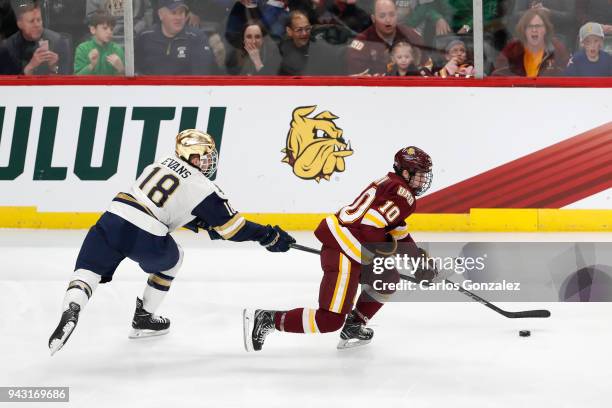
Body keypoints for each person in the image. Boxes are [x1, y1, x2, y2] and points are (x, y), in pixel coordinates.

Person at [49, 129, 296, 356]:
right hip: (146, 234)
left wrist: (199, 222)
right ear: (193, 157)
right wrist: (269, 236)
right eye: (205, 156)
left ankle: (72, 307)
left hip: (112, 218)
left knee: (86, 272)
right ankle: (143, 318)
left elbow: (163, 204)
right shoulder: (202, 186)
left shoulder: (160, 163)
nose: (209, 161)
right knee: (174, 258)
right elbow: (233, 228)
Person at [244, 146, 437, 352]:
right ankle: (267, 319)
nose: (423, 180)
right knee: (329, 320)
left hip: (352, 244)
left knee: (387, 279)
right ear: (405, 172)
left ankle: (354, 326)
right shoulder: (403, 194)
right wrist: (390, 248)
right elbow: (371, 226)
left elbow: (396, 229)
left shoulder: (389, 183)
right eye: (420, 175)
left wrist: (418, 260)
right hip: (344, 250)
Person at [135, 0, 217, 75]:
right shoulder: (144, 37)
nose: (178, 17)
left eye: (181, 13)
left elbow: (201, 77)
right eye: (173, 13)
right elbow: (137, 71)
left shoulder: (197, 38)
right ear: (161, 15)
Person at [346, 0, 425, 75]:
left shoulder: (412, 36)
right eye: (382, 16)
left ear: (396, 15)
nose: (388, 20)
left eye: (392, 15)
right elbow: (357, 81)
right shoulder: (363, 42)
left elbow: (426, 68)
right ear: (373, 19)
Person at [492, 8, 569, 77]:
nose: (534, 30)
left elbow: (568, 76)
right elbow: (498, 75)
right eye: (530, 26)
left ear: (545, 29)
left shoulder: (557, 48)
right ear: (524, 30)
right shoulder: (512, 48)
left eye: (538, 26)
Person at [4, 0, 71, 75]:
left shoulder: (58, 42)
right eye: (31, 21)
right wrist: (30, 67)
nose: (37, 25)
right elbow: (7, 83)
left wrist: (54, 67)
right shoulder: (9, 47)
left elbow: (66, 81)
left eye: (39, 20)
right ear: (20, 24)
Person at [279, 10, 344, 76]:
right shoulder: (281, 49)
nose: (304, 33)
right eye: (299, 30)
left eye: (307, 28)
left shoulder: (322, 49)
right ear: (289, 31)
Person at [74, 11, 125, 75]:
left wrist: (121, 69)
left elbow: (123, 83)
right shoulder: (82, 49)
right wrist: (92, 66)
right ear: (93, 30)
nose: (109, 32)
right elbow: (76, 80)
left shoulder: (117, 49)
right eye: (105, 28)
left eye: (111, 29)